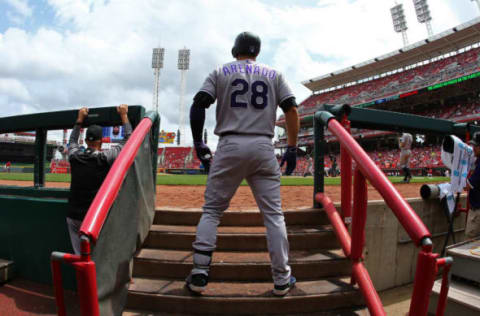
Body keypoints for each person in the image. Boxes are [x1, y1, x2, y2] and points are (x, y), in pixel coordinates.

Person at [186, 31, 299, 296]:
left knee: (212, 211)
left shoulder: (220, 71)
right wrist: (292, 148)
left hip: (230, 144)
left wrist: (199, 143)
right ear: (257, 52)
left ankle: (200, 273)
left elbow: (198, 105)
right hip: (263, 145)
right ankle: (282, 279)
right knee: (274, 215)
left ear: (235, 49)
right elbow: (292, 110)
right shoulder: (274, 73)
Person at [66, 105, 132, 254]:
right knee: (98, 257)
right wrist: (124, 115)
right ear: (101, 142)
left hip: (73, 215)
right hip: (93, 217)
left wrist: (79, 119)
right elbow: (129, 138)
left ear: (86, 141)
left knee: (80, 258)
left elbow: (72, 141)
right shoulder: (105, 157)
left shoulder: (75, 156)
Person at [466, 132, 480, 238]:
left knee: (470, 244)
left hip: (477, 211)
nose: (473, 148)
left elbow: (467, 185)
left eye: (475, 145)